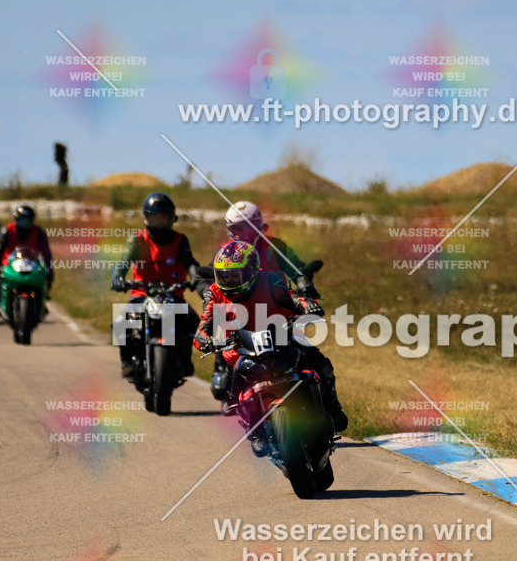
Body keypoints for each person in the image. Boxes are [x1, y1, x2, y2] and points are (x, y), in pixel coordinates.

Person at [194, 241, 347, 456]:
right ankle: (256, 430)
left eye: (234, 275)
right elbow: (203, 326)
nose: (228, 280)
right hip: (241, 349)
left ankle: (333, 406)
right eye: (223, 275)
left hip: (281, 338)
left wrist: (306, 304)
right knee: (230, 391)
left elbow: (291, 297)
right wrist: (206, 340)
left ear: (250, 272)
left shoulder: (269, 280)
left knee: (321, 363)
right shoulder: (214, 293)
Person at [199, 201, 321, 403]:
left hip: (278, 311)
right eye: (233, 228)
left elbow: (296, 269)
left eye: (241, 227)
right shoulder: (227, 253)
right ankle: (232, 388)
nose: (237, 232)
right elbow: (205, 279)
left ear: (255, 225)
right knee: (223, 340)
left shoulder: (275, 247)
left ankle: (327, 405)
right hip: (238, 314)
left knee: (314, 358)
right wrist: (208, 293)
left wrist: (304, 283)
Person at [110, 192, 200, 381]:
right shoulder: (137, 240)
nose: (159, 222)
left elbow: (190, 262)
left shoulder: (180, 240)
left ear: (171, 218)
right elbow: (123, 262)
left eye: (163, 217)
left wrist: (196, 277)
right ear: (146, 218)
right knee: (120, 322)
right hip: (142, 295)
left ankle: (184, 359)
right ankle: (127, 362)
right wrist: (118, 276)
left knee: (194, 322)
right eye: (154, 217)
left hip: (172, 295)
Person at [0, 205, 54, 298]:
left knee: (44, 280)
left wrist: (49, 269)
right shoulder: (7, 231)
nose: (24, 224)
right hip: (9, 266)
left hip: (32, 265)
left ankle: (42, 299)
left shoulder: (38, 232)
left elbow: (46, 253)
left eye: (27, 221)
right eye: (21, 221)